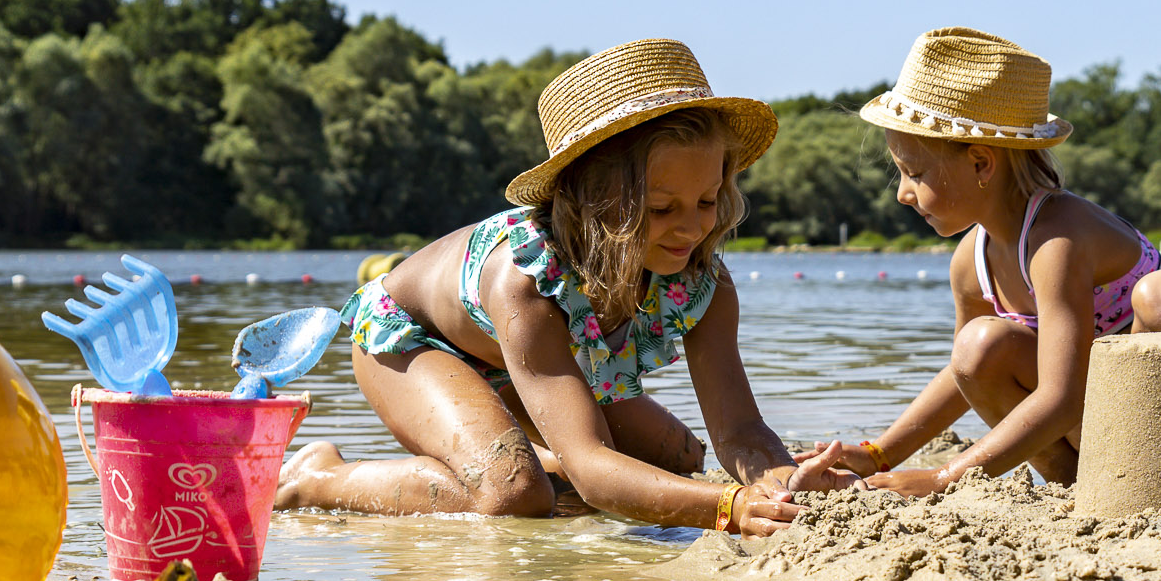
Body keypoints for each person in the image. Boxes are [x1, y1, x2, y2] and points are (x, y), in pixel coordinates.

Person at [277, 38, 847, 535]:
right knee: (513, 494)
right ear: (595, 206)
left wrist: (782, 484)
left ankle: (527, 458)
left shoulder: (704, 286)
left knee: (677, 461)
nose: (694, 227)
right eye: (661, 207)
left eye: (705, 202)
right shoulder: (526, 279)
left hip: (520, 364)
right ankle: (319, 478)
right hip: (413, 342)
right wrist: (728, 507)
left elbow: (741, 428)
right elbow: (592, 461)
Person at [811, 27, 1161, 492]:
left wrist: (943, 479)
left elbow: (1061, 399)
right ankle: (1079, 485)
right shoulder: (970, 261)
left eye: (914, 173)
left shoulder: (1056, 241)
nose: (902, 194)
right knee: (979, 347)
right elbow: (962, 374)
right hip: (1107, 430)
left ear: (981, 164)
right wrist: (880, 455)